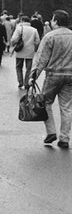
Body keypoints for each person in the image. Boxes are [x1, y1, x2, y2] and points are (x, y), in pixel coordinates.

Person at [31, 9, 72, 149]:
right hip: (70, 75)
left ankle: (51, 132)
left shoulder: (50, 37)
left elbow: (41, 58)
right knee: (66, 107)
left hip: (53, 75)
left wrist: (33, 76)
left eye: (53, 19)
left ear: (56, 21)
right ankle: (65, 138)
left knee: (46, 103)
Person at [11, 15, 40, 89]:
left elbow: (14, 39)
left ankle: (20, 82)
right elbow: (37, 41)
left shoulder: (19, 29)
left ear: (22, 21)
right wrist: (35, 48)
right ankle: (26, 82)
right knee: (29, 68)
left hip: (20, 50)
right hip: (30, 51)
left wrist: (13, 44)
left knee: (18, 67)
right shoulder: (34, 30)